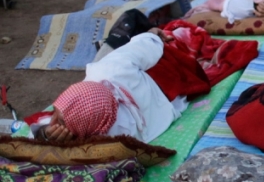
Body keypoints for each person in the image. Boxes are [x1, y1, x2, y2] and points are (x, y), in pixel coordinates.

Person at [34, 28, 186, 144]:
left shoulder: (109, 70)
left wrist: (152, 35)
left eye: (60, 122)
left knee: (178, 39)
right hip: (157, 87)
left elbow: (139, 50)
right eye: (55, 113)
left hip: (166, 70)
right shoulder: (110, 130)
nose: (52, 121)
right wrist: (46, 134)